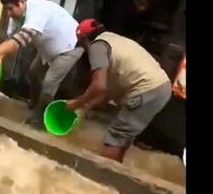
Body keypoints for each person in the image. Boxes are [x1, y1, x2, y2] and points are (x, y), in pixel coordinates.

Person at [66, 19, 172, 162]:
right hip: (162, 87)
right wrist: (86, 107)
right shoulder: (115, 41)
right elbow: (105, 92)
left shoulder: (98, 46)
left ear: (84, 39)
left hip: (146, 88)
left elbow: (99, 86)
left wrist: (76, 103)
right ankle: (117, 170)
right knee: (124, 135)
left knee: (115, 135)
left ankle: (102, 176)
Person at [0, 0, 83, 126]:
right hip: (48, 49)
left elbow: (22, 38)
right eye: (6, 9)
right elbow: (12, 39)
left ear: (21, 2)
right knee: (33, 72)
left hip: (70, 47)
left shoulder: (38, 10)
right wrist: (0, 55)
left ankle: (40, 119)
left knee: (50, 82)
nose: (9, 13)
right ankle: (36, 104)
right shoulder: (17, 15)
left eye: (10, 9)